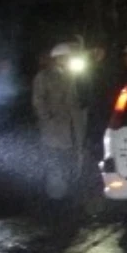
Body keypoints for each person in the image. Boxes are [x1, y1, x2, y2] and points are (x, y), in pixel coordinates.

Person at [32, 43, 87, 200]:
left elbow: (79, 100)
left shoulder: (72, 76)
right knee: (55, 167)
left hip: (72, 131)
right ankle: (55, 200)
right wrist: (48, 118)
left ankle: (70, 198)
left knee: (71, 167)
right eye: (64, 58)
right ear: (57, 59)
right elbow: (38, 101)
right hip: (54, 132)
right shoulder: (44, 77)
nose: (67, 60)